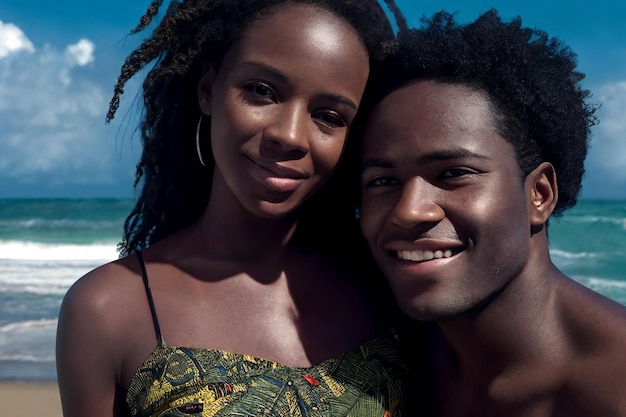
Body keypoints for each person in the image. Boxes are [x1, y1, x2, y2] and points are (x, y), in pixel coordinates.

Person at [56, 1, 410, 416]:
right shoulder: (107, 310)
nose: (291, 135)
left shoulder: (387, 282)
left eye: (329, 115)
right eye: (262, 91)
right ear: (208, 89)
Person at [357, 9, 626, 417]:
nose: (409, 210)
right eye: (382, 181)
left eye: (452, 174)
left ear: (539, 194)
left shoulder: (613, 387)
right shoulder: (382, 356)